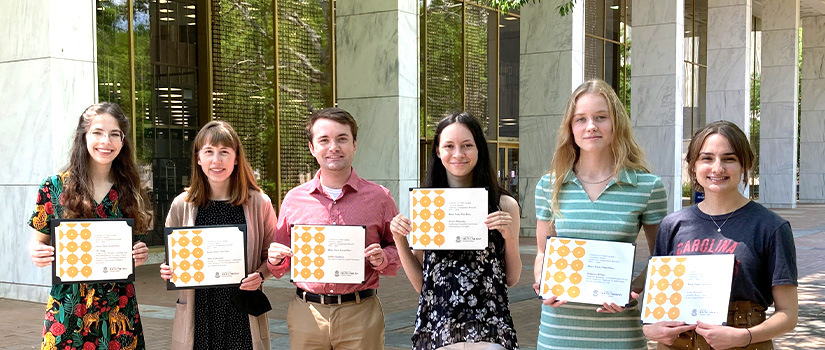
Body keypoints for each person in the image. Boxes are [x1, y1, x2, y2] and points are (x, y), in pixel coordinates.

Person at [533, 79, 668, 349]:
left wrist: (632, 290)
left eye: (601, 117)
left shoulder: (647, 186)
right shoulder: (549, 185)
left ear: (616, 123)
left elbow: (661, 258)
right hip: (559, 333)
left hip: (620, 333)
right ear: (570, 128)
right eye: (581, 119)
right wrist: (542, 282)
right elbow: (542, 253)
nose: (591, 126)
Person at [643, 121, 798, 349]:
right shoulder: (672, 225)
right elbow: (655, 307)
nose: (717, 168)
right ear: (693, 165)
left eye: (729, 159)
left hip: (744, 344)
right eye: (707, 158)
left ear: (745, 164)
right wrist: (649, 329)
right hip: (678, 344)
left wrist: (745, 336)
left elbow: (788, 314)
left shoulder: (771, 227)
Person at [266, 107, 400, 349]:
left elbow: (398, 248)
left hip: (360, 313)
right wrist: (275, 260)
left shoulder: (380, 198)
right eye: (324, 140)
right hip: (307, 314)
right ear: (312, 147)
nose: (334, 147)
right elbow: (281, 259)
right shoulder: (294, 199)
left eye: (342, 139)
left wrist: (383, 257)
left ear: (354, 144)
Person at [389, 112, 522, 350]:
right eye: (449, 146)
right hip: (438, 330)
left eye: (467, 145)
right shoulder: (427, 205)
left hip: (489, 332)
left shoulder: (504, 205)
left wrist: (509, 237)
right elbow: (422, 284)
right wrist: (399, 239)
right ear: (438, 151)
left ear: (479, 149)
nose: (458, 154)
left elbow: (512, 278)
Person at [28, 102, 152, 350]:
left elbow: (134, 244)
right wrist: (37, 252)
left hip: (119, 309)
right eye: (97, 132)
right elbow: (38, 242)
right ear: (83, 136)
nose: (106, 141)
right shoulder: (54, 187)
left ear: (123, 141)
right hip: (69, 309)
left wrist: (139, 253)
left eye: (114, 134)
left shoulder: (131, 189)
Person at [159, 120, 276, 350]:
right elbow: (171, 258)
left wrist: (261, 275)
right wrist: (167, 270)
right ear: (198, 158)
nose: (216, 160)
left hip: (242, 313)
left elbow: (272, 257)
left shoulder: (259, 203)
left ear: (236, 158)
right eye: (209, 152)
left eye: (224, 152)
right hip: (199, 312)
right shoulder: (182, 205)